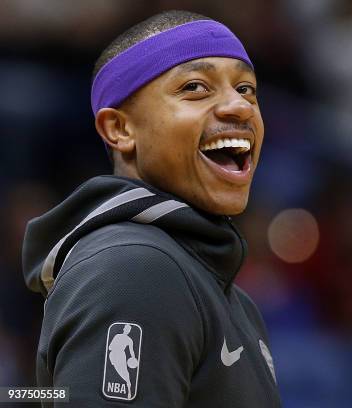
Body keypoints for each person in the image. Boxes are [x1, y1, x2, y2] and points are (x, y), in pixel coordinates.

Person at [22, 10, 281, 407]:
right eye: (195, 87)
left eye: (246, 88)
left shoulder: (219, 288)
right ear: (120, 130)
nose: (240, 107)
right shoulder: (135, 267)